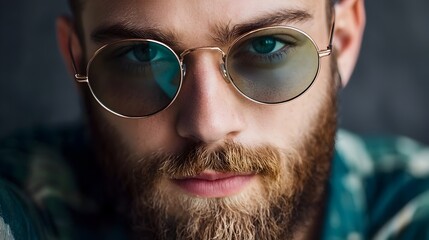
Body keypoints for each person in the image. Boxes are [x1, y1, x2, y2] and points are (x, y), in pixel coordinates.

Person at [1, 0, 429, 239]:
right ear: (77, 59)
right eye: (142, 54)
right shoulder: (27, 200)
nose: (208, 123)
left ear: (342, 43)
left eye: (266, 47)